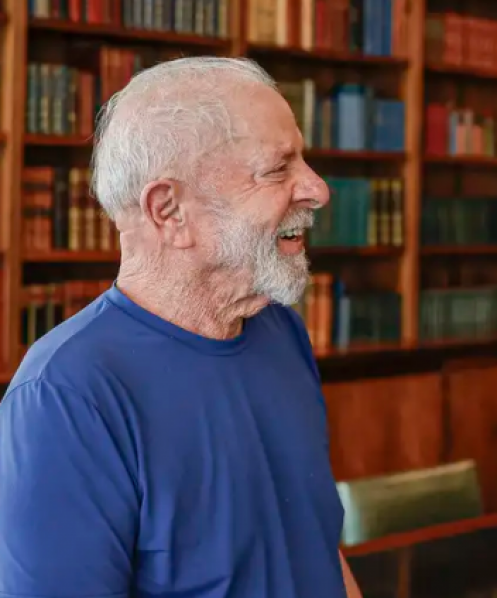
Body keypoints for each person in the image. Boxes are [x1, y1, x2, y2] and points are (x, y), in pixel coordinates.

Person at [0, 57, 364, 598]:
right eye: (277, 169)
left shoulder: (280, 332)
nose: (317, 189)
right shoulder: (66, 395)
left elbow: (315, 544)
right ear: (169, 210)